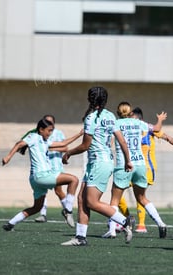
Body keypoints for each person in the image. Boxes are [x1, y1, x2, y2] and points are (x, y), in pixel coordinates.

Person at [61, 86, 133, 246]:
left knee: (92, 202)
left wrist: (68, 153)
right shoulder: (110, 116)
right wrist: (128, 159)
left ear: (90, 99)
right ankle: (80, 237)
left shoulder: (91, 118)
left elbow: (85, 145)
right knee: (81, 199)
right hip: (99, 163)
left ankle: (125, 221)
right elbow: (121, 140)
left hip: (99, 164)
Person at [1, 118, 83, 231]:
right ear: (41, 129)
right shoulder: (34, 137)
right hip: (41, 175)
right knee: (74, 180)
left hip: (36, 179)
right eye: (49, 131)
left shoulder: (45, 141)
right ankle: (68, 210)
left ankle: (10, 223)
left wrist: (79, 134)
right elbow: (19, 144)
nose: (50, 133)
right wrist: (8, 157)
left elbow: (63, 143)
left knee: (37, 207)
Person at [102, 102, 169, 239]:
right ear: (130, 111)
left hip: (124, 164)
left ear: (118, 112)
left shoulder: (116, 123)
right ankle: (161, 223)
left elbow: (110, 142)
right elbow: (156, 129)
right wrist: (160, 120)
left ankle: (112, 230)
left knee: (115, 200)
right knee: (142, 198)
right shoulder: (138, 123)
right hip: (140, 164)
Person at [118, 107, 173, 234]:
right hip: (130, 166)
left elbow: (166, 136)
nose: (130, 120)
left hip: (145, 168)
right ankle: (128, 219)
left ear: (139, 119)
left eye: (132, 117)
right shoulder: (127, 129)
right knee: (119, 197)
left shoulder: (146, 128)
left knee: (139, 195)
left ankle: (141, 224)